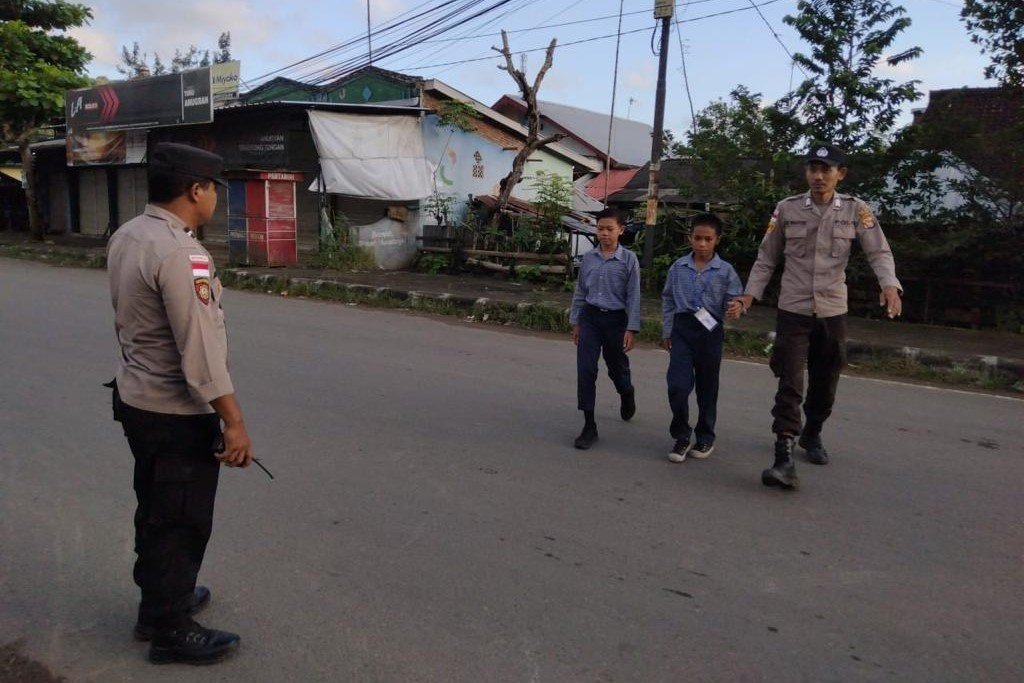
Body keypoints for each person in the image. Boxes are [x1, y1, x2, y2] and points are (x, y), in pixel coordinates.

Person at [107, 142, 253, 664]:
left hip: (137, 401)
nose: (214, 197)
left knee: (156, 507)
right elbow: (201, 354)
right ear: (196, 190)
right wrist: (233, 422)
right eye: (213, 187)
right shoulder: (181, 253)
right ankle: (169, 627)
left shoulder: (128, 235)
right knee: (183, 519)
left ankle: (160, 602)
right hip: (174, 413)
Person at [735, 143, 902, 490]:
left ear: (840, 174)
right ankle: (783, 455)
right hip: (793, 309)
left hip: (832, 310)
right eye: (813, 168)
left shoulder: (856, 210)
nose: (818, 175)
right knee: (790, 381)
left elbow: (879, 251)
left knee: (826, 383)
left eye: (826, 169)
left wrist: (889, 285)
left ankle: (812, 432)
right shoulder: (787, 209)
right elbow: (767, 257)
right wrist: (750, 295)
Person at [661, 214, 744, 463]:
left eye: (708, 239)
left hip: (710, 330)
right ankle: (681, 435)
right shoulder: (678, 267)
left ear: (717, 240)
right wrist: (667, 330)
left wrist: (737, 306)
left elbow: (737, 298)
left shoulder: (725, 270)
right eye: (698, 238)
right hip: (682, 328)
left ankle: (705, 435)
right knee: (677, 385)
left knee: (707, 387)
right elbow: (668, 299)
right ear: (690, 238)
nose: (702, 244)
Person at [569, 207, 641, 449]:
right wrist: (576, 321)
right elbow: (581, 291)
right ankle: (589, 425)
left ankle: (626, 391)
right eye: (600, 229)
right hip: (590, 319)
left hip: (616, 321)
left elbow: (633, 296)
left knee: (616, 368)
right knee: (586, 370)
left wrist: (631, 328)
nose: (604, 234)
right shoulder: (589, 258)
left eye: (610, 229)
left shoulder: (629, 260)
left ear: (621, 230)